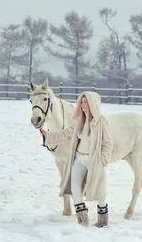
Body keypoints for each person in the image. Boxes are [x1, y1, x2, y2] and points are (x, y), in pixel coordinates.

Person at [40, 91, 113, 227]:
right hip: (79, 159)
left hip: (95, 161)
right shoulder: (80, 121)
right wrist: (48, 135)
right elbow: (66, 134)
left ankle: (102, 221)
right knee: (75, 188)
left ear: (92, 104)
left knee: (100, 191)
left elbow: (108, 143)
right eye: (82, 102)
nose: (83, 105)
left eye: (86, 102)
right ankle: (82, 219)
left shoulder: (102, 121)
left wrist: (103, 160)